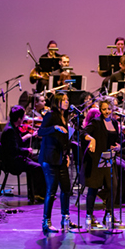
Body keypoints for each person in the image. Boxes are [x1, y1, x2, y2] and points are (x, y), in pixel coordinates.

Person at [82, 98, 125, 229]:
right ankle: (89, 216)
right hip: (96, 158)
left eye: (108, 109)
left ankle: (109, 215)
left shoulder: (113, 122)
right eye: (104, 109)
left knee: (113, 186)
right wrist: (91, 139)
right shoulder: (96, 122)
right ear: (100, 110)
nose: (106, 111)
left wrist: (118, 146)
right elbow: (83, 132)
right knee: (93, 187)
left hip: (109, 157)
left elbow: (116, 140)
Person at [38, 93, 76, 233]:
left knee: (66, 188)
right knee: (51, 190)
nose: (66, 102)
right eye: (63, 100)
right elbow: (40, 131)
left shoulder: (66, 117)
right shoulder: (50, 115)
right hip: (50, 158)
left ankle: (65, 218)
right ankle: (46, 222)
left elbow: (65, 139)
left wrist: (67, 155)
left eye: (67, 99)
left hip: (61, 158)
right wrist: (54, 127)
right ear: (57, 102)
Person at [1, 105, 46, 204]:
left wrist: (32, 137)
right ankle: (40, 194)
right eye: (23, 116)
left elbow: (19, 143)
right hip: (13, 162)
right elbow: (14, 150)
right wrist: (27, 150)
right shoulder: (10, 131)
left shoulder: (13, 126)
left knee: (39, 160)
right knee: (38, 167)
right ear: (19, 118)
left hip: (16, 157)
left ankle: (35, 192)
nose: (25, 118)